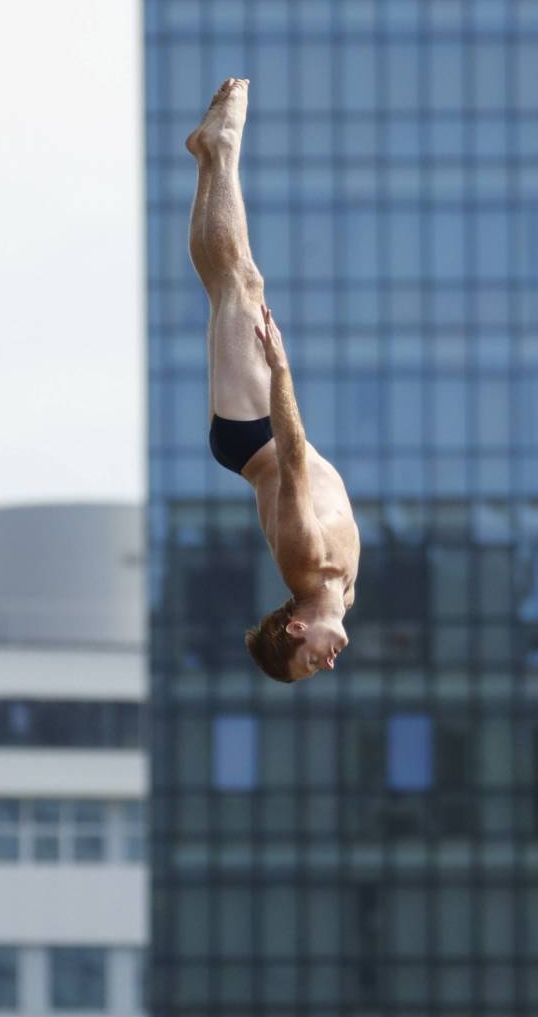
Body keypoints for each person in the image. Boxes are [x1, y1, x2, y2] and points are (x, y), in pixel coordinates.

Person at [186, 78, 360, 683]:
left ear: (295, 628)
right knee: (233, 285)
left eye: (312, 658)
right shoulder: (343, 592)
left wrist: (281, 370)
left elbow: (291, 458)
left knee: (237, 283)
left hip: (251, 430)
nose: (328, 661)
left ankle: (223, 148)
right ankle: (211, 153)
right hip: (261, 428)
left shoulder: (304, 564)